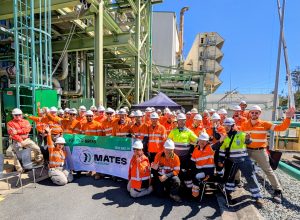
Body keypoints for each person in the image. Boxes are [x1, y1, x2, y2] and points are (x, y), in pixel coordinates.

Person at [240, 105, 295, 203]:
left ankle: (277, 190)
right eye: (252, 112)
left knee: (268, 170)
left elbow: (280, 128)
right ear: (250, 113)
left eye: (256, 113)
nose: (254, 114)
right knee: (237, 163)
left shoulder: (265, 124)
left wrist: (288, 117)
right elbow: (239, 137)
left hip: (260, 151)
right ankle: (236, 183)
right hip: (247, 149)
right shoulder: (244, 124)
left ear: (259, 114)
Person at [217, 118, 264, 207]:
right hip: (232, 161)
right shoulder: (225, 137)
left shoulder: (241, 134)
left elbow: (248, 142)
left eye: (228, 126)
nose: (226, 127)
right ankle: (228, 194)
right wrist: (220, 160)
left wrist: (248, 139)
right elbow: (222, 151)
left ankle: (257, 196)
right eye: (225, 126)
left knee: (250, 177)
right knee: (230, 178)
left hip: (244, 160)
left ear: (233, 126)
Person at [168, 113, 198, 191]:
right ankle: (177, 188)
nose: (181, 122)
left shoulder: (189, 131)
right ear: (177, 121)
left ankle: (187, 190)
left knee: (185, 174)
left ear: (185, 121)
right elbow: (168, 143)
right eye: (179, 120)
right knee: (175, 173)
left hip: (185, 158)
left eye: (183, 120)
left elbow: (197, 140)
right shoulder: (173, 131)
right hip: (174, 157)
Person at [191, 132, 215, 198]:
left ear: (207, 142)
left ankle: (196, 195)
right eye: (201, 140)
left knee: (197, 176)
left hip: (208, 171)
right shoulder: (196, 149)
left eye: (204, 141)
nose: (202, 142)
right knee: (190, 174)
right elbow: (192, 161)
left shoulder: (210, 147)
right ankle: (192, 192)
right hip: (199, 170)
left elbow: (217, 145)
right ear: (198, 141)